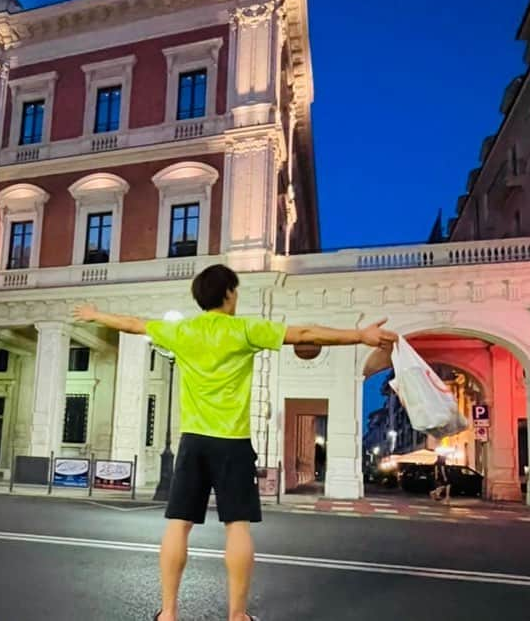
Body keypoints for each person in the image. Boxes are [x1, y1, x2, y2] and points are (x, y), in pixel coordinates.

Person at [72, 264, 398, 621]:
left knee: (179, 524)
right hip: (232, 442)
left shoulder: (181, 330)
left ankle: (167, 613)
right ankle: (237, 616)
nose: (237, 297)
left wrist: (94, 314)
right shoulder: (244, 329)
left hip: (194, 441)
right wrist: (359, 335)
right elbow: (304, 332)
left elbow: (134, 324)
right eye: (236, 291)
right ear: (227, 293)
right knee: (237, 527)